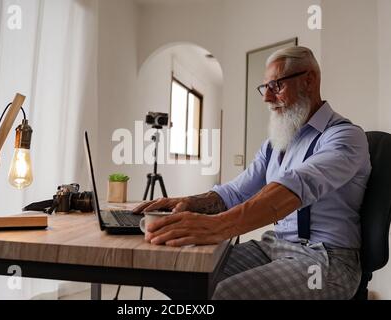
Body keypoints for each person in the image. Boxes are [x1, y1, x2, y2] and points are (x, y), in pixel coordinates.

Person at [133, 46, 371, 300]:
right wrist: (187, 202)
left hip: (326, 259)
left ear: (309, 80)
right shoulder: (275, 145)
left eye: (276, 85)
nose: (267, 98)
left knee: (225, 294)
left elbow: (298, 184)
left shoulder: (344, 136)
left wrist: (219, 226)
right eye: (264, 87)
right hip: (273, 246)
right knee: (185, 271)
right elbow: (235, 192)